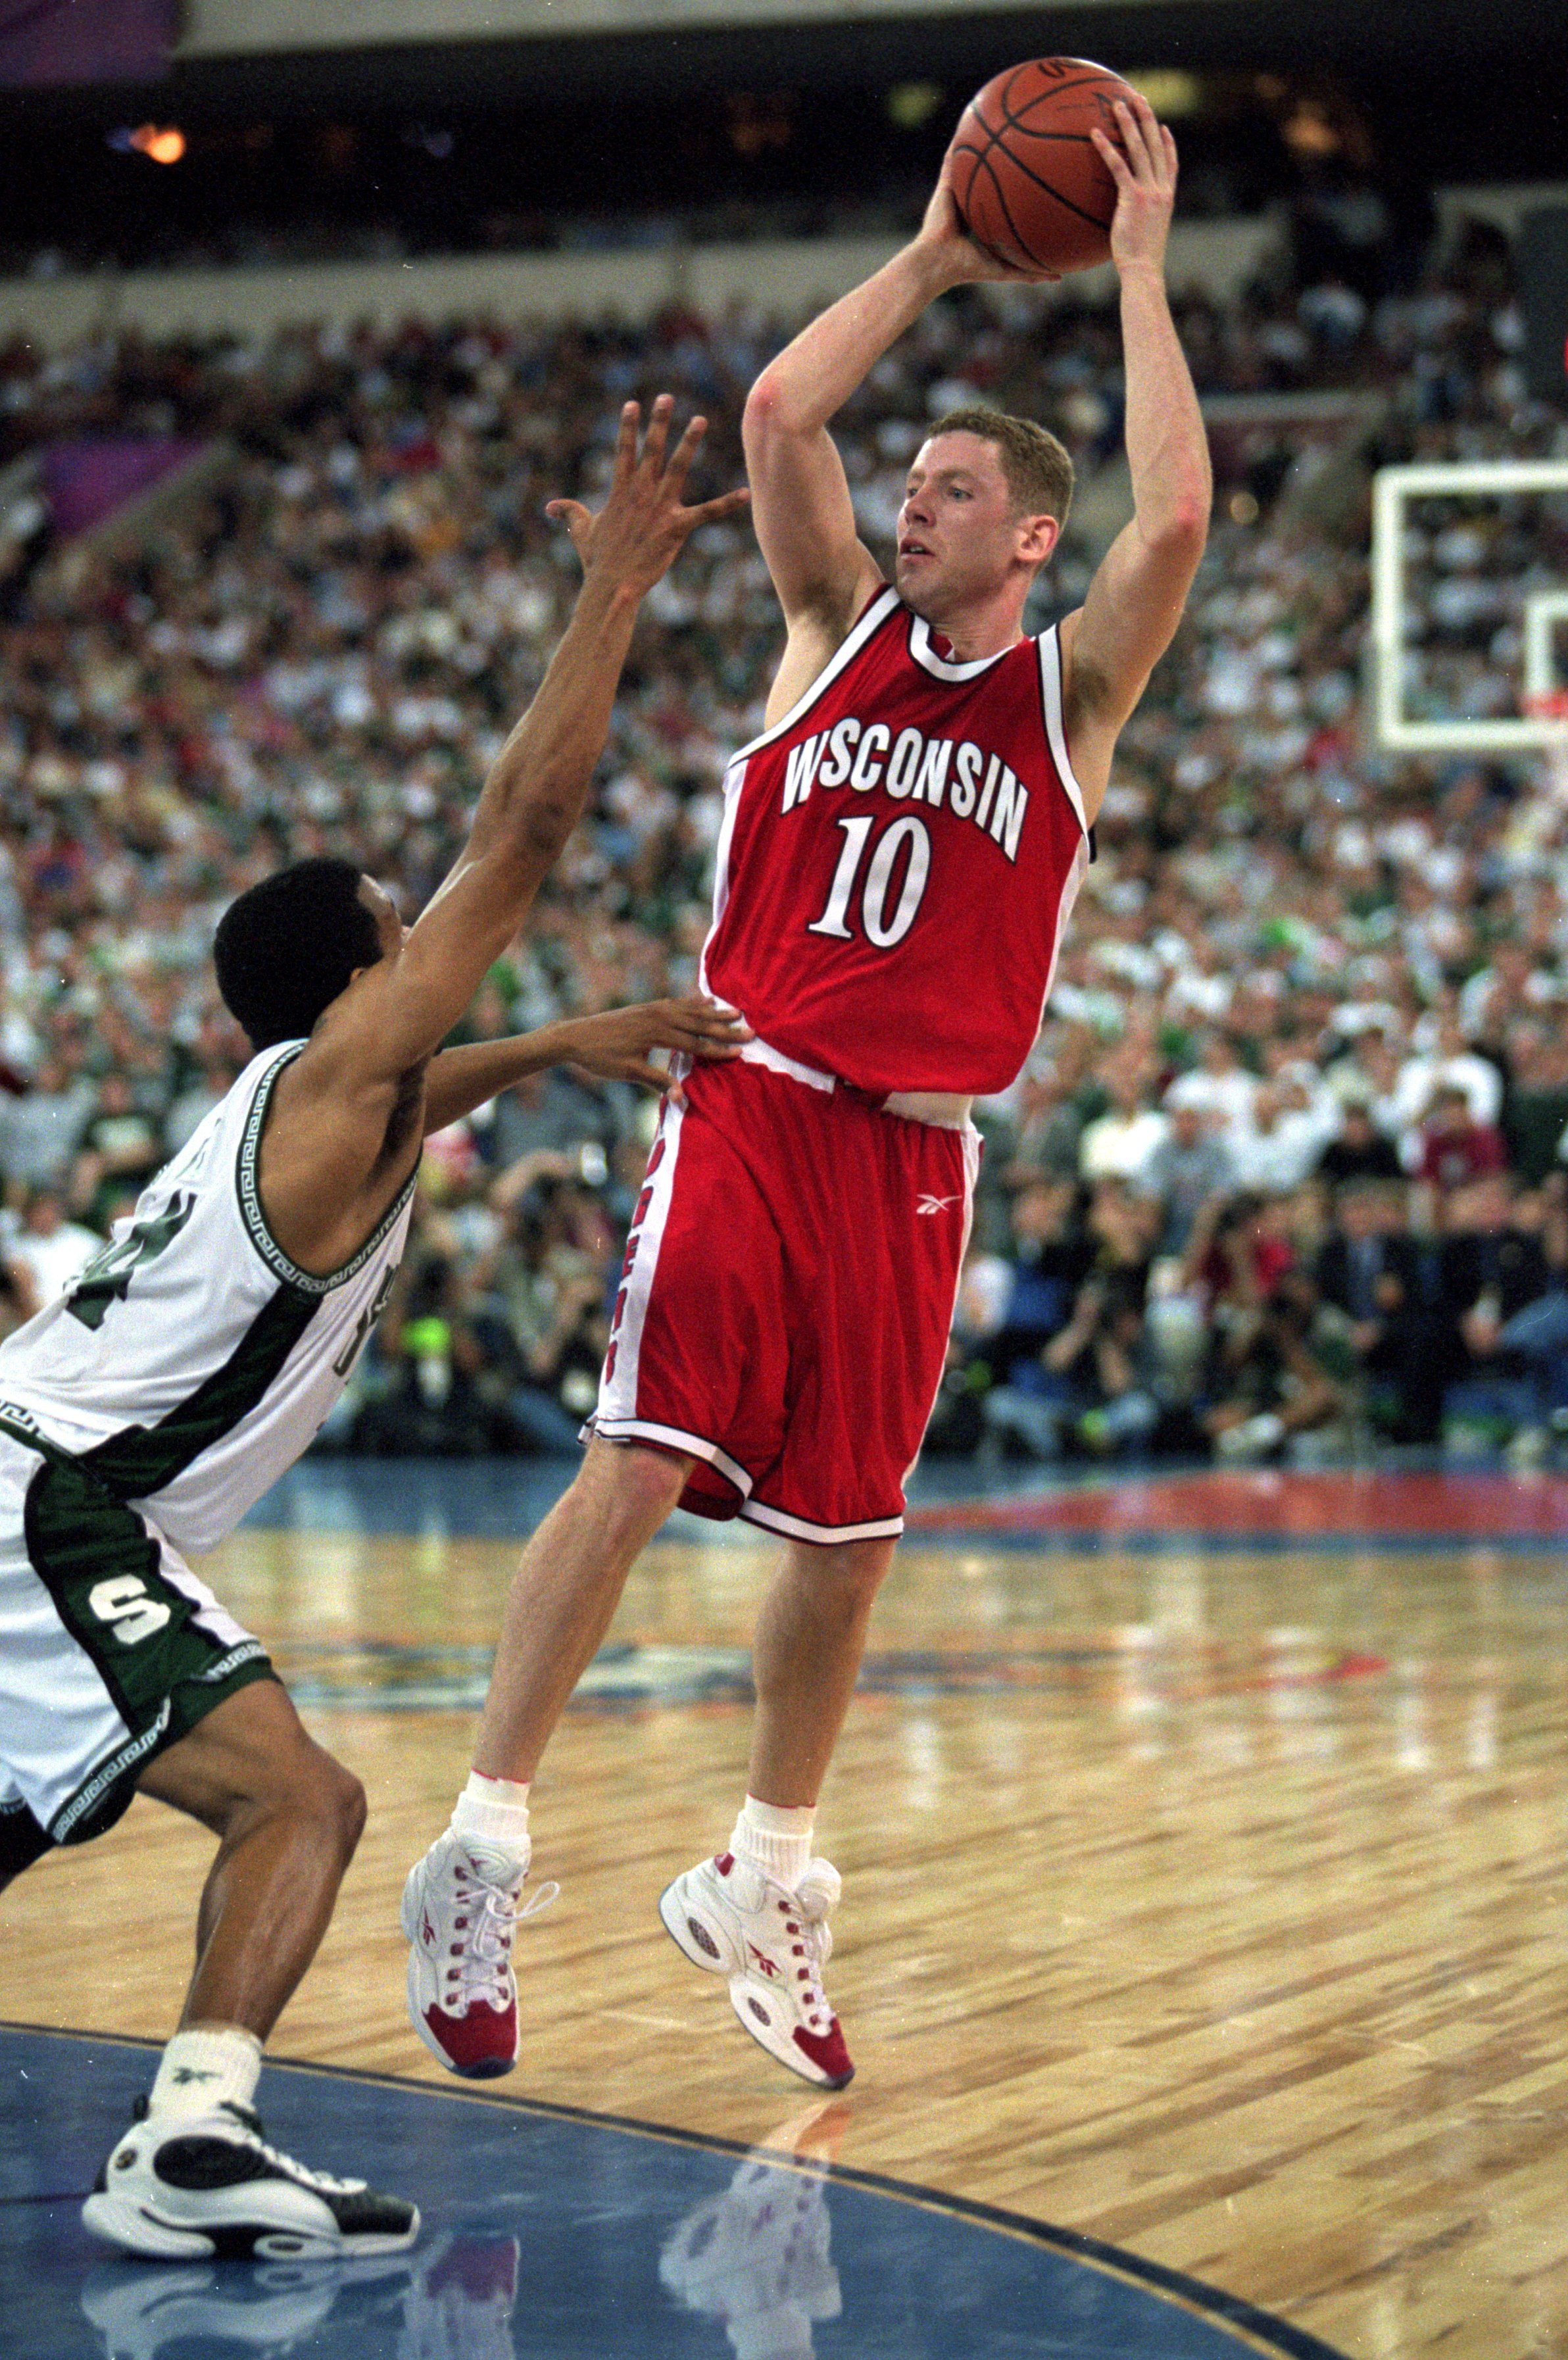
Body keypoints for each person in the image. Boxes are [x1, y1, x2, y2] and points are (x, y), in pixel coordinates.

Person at [404, 91, 1208, 2094]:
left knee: (851, 1533)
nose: (909, 503)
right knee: (646, 1444)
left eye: (950, 489)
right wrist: (941, 249)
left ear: (1032, 534)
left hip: (918, 1155)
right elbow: (775, 418)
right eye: (908, 480)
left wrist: (1129, 269)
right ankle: (485, 1838)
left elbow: (1175, 520)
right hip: (753, 1091)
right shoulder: (826, 631)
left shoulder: (1066, 692)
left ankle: (765, 1870)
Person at [0, 399, 746, 2260]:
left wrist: (554, 1046)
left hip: (41, 1474)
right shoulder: (340, 1078)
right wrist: (615, 594)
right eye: (403, 932)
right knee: (303, 1803)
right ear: (353, 978)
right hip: (58, 1500)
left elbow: (416, 1083)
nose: (434, 937)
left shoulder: (296, 1103)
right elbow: (532, 820)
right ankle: (194, 2133)